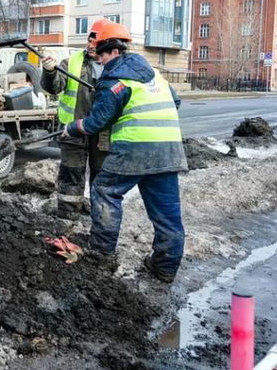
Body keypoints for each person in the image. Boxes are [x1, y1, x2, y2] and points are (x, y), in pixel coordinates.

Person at [63, 22, 187, 283]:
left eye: (102, 54)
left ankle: (101, 254)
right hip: (169, 151)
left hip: (134, 148)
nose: (100, 60)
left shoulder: (116, 79)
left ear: (113, 51)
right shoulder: (154, 74)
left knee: (104, 191)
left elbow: (96, 122)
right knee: (166, 211)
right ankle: (165, 267)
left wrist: (71, 128)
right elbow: (175, 101)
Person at [41, 19, 112, 220]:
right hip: (74, 130)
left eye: (96, 42)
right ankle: (67, 217)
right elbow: (54, 87)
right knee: (71, 174)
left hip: (103, 133)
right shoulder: (72, 62)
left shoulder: (115, 65)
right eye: (89, 40)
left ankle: (100, 219)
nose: (91, 45)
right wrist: (49, 72)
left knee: (102, 177)